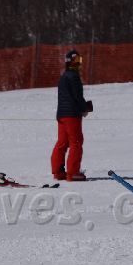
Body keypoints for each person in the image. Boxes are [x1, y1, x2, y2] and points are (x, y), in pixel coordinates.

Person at [50, 49, 92, 181]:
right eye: (76, 61)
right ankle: (73, 173)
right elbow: (77, 96)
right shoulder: (74, 76)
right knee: (76, 142)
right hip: (72, 115)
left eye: (79, 60)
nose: (79, 64)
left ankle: (58, 172)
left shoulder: (64, 76)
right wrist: (84, 108)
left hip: (61, 114)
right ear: (70, 62)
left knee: (62, 142)